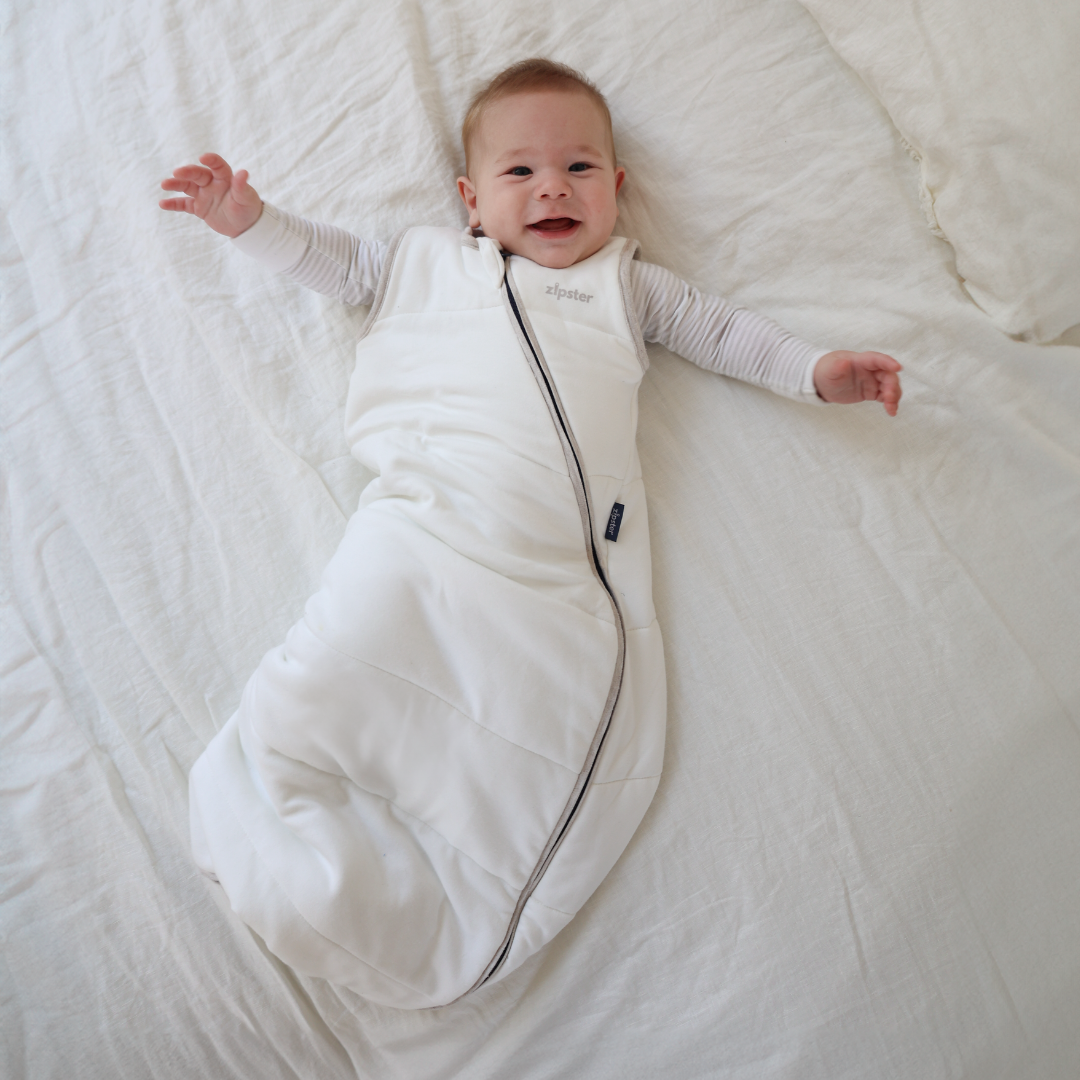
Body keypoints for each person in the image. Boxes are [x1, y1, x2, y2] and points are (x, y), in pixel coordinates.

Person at [160, 59, 902, 1010]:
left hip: (545, 565)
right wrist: (250, 221)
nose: (553, 188)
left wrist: (816, 371)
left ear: (617, 189)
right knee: (349, 642)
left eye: (580, 168)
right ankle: (272, 792)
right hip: (420, 528)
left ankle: (449, 898)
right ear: (471, 201)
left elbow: (725, 333)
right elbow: (333, 264)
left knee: (518, 705)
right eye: (520, 172)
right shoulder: (418, 264)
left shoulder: (627, 286)